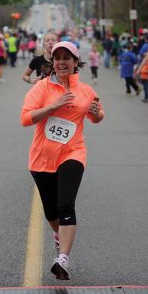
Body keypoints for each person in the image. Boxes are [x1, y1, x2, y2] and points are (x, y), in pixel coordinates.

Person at [20, 41, 104, 280]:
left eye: (67, 58)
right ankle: (59, 235)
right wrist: (53, 106)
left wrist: (96, 112)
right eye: (57, 58)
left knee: (66, 204)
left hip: (72, 153)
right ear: (52, 63)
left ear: (76, 63)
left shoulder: (85, 91)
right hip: (42, 158)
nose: (61, 62)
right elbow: (25, 118)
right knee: (51, 211)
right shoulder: (42, 89)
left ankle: (63, 259)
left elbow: (97, 116)